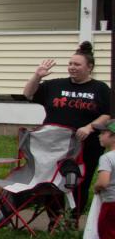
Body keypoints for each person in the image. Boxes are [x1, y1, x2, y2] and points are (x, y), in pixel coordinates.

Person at [23, 41, 111, 210]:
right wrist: (38, 76)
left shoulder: (100, 89)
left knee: (79, 181)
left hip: (86, 145)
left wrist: (89, 127)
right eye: (70, 64)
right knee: (52, 181)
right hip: (53, 144)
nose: (72, 67)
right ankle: (54, 219)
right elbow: (28, 93)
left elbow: (108, 114)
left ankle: (73, 220)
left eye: (77, 64)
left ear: (89, 67)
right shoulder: (55, 85)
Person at [92, 121, 115, 239]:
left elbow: (104, 182)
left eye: (103, 133)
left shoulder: (106, 157)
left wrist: (96, 187)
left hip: (111, 204)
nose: (99, 136)